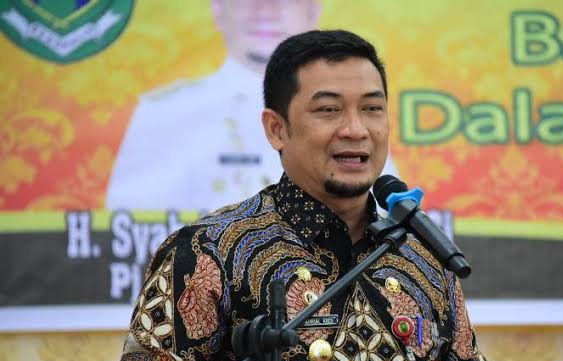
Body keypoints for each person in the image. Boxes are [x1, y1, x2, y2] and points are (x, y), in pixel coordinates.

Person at [116, 29, 486, 361]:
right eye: (329, 110)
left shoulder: (424, 257)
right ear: (277, 129)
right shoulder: (207, 251)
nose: (356, 129)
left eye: (372, 109)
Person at [106, 0, 399, 211]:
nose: (267, 10)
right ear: (218, 8)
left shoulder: (362, 135)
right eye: (328, 109)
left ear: (313, 9)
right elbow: (130, 231)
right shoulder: (165, 112)